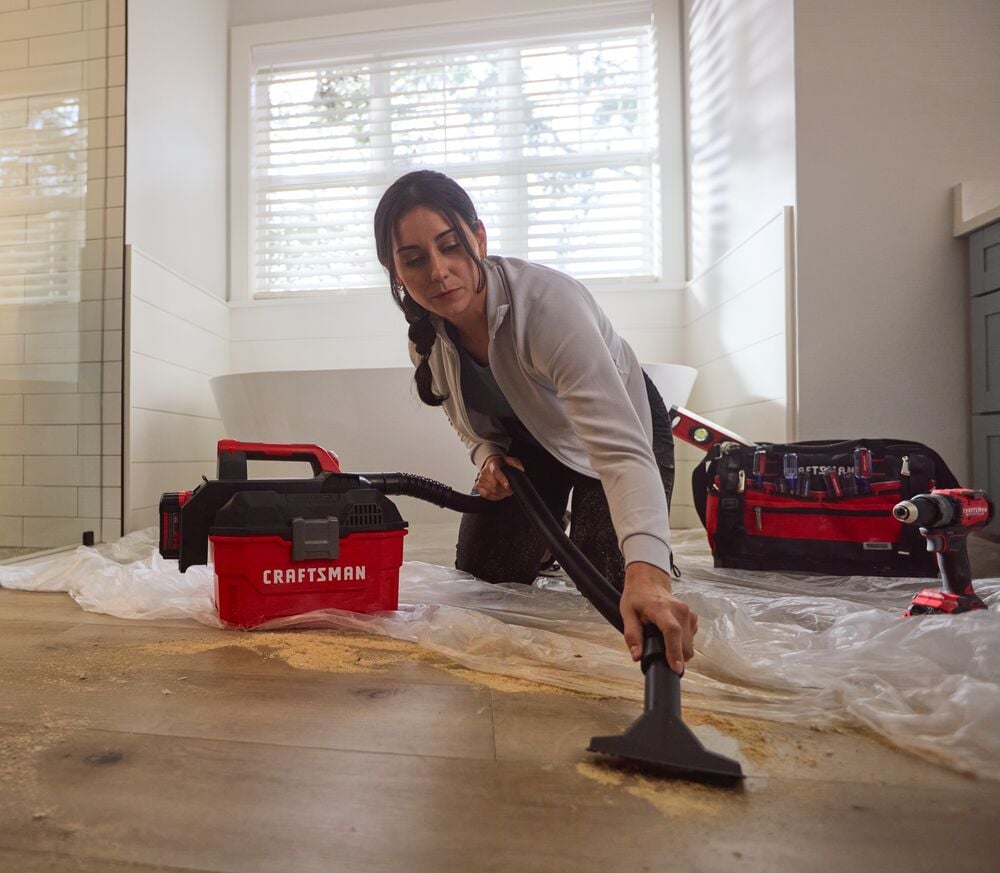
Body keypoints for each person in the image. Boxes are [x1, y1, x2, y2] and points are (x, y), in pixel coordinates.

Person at [373, 170, 697, 673]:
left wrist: (649, 572)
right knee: (485, 577)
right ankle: (552, 538)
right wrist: (489, 457)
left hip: (619, 424)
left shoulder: (548, 307)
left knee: (617, 586)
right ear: (394, 270)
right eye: (414, 259)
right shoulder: (427, 334)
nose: (438, 272)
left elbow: (620, 452)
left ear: (479, 237)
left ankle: (626, 547)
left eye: (451, 246)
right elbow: (467, 421)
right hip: (534, 436)